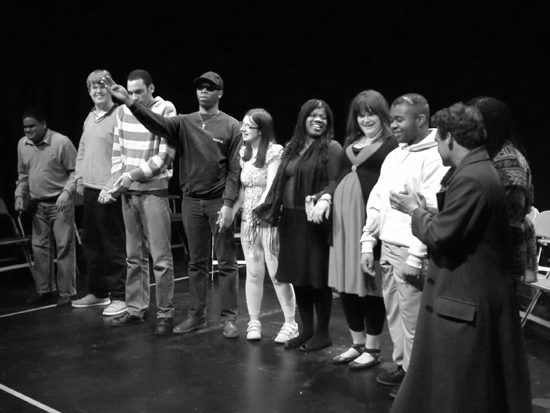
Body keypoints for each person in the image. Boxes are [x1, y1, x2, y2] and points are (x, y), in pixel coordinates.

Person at [389, 102, 532, 413]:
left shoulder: (473, 177)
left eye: (438, 139)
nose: (436, 146)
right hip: (466, 293)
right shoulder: (474, 170)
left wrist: (413, 211)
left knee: (463, 390)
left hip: (465, 296)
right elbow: (459, 223)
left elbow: (442, 234)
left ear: (450, 138)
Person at [105, 71, 242, 338]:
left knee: (226, 261)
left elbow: (235, 171)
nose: (203, 91)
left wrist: (228, 204)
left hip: (217, 202)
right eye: (200, 87)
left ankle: (229, 318)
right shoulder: (184, 122)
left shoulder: (231, 125)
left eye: (210, 87)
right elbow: (157, 124)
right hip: (191, 201)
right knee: (196, 263)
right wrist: (130, 103)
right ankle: (196, 316)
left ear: (220, 93)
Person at [360, 94, 448, 395]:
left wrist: (416, 256)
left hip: (411, 252)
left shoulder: (435, 156)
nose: (392, 125)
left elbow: (430, 211)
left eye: (399, 119)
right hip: (387, 246)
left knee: (414, 323)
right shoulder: (395, 154)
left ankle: (417, 381)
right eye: (392, 119)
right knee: (395, 317)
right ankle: (404, 367)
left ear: (421, 119)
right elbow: (377, 199)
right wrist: (367, 240)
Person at [255, 99, 343, 352]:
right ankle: (306, 330)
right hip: (291, 220)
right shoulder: (293, 148)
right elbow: (280, 184)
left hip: (315, 220)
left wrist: (323, 199)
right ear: (303, 118)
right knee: (299, 278)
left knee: (317, 278)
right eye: (313, 115)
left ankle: (323, 333)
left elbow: (338, 181)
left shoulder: (332, 148)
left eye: (323, 116)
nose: (318, 120)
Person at [102, 70, 176, 336]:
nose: (133, 97)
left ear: (151, 88)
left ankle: (165, 313)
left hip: (153, 192)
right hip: (128, 192)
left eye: (138, 92)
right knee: (134, 257)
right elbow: (117, 151)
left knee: (161, 258)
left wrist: (130, 176)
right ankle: (136, 308)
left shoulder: (165, 108)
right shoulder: (122, 112)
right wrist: (114, 183)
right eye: (130, 93)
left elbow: (165, 156)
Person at [328, 90, 397, 369]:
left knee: (371, 287)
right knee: (346, 283)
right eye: (361, 114)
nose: (366, 119)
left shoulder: (393, 144)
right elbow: (338, 178)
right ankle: (356, 344)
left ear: (383, 115)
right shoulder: (351, 142)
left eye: (371, 113)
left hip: (370, 225)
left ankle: (373, 347)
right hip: (343, 225)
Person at [234, 108, 297, 342]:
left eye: (248, 126)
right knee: (252, 272)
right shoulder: (244, 152)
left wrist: (257, 213)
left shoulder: (274, 152)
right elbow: (243, 188)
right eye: (243, 124)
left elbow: (271, 187)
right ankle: (253, 321)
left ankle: (291, 323)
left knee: (277, 273)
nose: (243, 129)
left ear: (262, 129)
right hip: (248, 220)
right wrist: (234, 209)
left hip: (268, 219)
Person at [71, 69, 128, 317]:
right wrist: (79, 179)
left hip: (110, 191)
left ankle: (120, 296)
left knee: (113, 245)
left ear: (110, 88)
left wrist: (112, 186)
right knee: (91, 245)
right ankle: (98, 292)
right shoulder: (90, 116)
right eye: (92, 87)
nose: (97, 91)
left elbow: (124, 155)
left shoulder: (120, 114)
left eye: (101, 86)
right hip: (91, 191)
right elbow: (82, 150)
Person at [467, 96, 537, 283]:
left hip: (498, 257)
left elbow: (509, 219)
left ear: (489, 126)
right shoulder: (487, 154)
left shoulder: (508, 163)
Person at [15, 108, 77, 306]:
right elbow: (23, 176)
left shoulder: (61, 142)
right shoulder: (22, 145)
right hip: (37, 205)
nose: (28, 131)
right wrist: (19, 195)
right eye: (25, 127)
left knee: (64, 247)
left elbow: (76, 172)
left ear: (43, 124)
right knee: (39, 248)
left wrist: (67, 192)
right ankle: (45, 290)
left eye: (32, 126)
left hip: (60, 203)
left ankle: (67, 292)